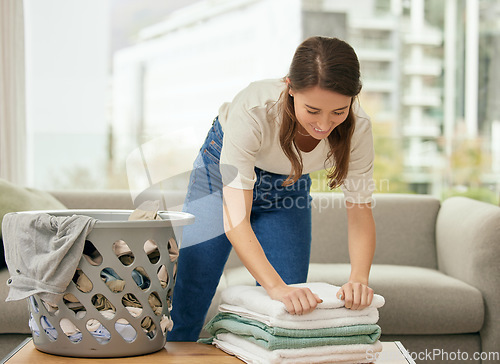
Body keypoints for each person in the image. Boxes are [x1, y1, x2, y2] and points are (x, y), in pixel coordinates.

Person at [168, 36, 376, 342]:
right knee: (189, 297)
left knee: (286, 312)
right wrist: (273, 286)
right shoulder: (255, 108)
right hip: (218, 173)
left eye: (338, 112)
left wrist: (359, 279)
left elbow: (360, 212)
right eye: (313, 109)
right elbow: (235, 220)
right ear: (290, 87)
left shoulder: (358, 128)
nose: (323, 125)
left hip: (288, 186)